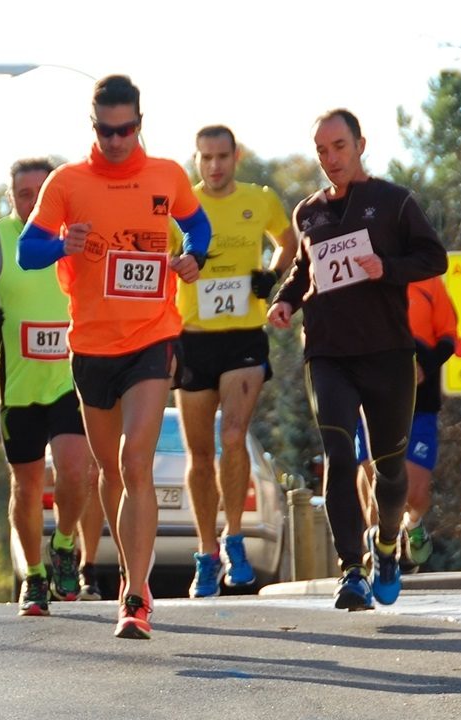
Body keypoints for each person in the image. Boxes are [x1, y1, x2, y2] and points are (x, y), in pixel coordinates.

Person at [18, 74, 212, 639]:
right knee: (110, 471)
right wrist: (62, 244)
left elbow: (196, 224)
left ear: (140, 124)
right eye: (106, 131)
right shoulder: (67, 182)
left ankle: (135, 596)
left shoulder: (167, 175)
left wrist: (193, 255)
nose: (117, 140)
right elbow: (28, 250)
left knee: (135, 463)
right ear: (94, 126)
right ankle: (131, 572)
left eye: (125, 130)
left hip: (152, 338)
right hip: (91, 348)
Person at [268, 109, 447, 612]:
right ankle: (351, 570)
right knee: (341, 455)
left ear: (360, 144)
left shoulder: (394, 203)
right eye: (322, 151)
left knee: (391, 473)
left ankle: (385, 547)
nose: (330, 159)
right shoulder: (309, 211)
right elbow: (304, 270)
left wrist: (385, 268)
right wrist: (286, 300)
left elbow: (435, 258)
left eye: (339, 147)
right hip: (327, 354)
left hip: (387, 353)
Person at [0, 157, 100, 615]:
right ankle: (34, 578)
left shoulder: (76, 238)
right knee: (26, 484)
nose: (33, 201)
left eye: (42, 193)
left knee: (77, 470)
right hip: (17, 387)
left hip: (70, 379)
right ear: (11, 198)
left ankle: (64, 544)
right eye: (24, 194)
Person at [173, 125, 298, 599]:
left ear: (236, 156)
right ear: (196, 159)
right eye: (206, 158)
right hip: (193, 338)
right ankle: (207, 553)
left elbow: (288, 242)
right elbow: (163, 261)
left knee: (233, 435)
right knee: (200, 454)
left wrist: (271, 276)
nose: (215, 166)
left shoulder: (259, 199)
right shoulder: (180, 205)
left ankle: (236, 539)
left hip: (244, 336)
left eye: (222, 156)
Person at [352, 274, 457, 569]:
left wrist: (426, 366)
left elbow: (449, 336)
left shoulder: (429, 280)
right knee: (372, 471)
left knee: (415, 492)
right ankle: (379, 546)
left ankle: (413, 523)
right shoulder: (362, 275)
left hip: (419, 401)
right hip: (370, 393)